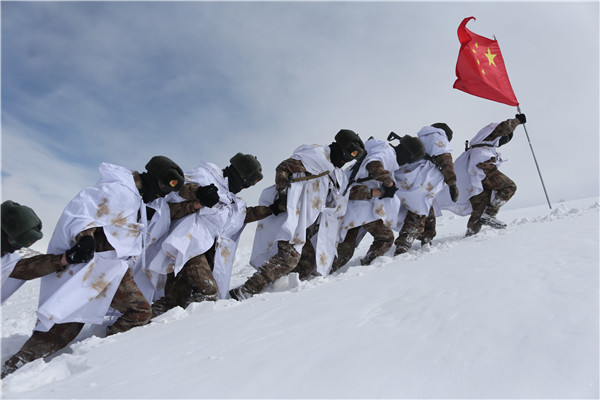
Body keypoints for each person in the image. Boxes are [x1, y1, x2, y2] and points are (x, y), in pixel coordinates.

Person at [1, 156, 186, 378]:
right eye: (160, 189)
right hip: (92, 267)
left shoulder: (144, 199)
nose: (160, 196)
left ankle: (99, 356)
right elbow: (83, 210)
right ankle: (12, 369)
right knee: (64, 328)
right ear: (151, 178)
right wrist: (85, 237)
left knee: (138, 311)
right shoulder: (119, 190)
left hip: (114, 268)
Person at [229, 129, 364, 300]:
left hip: (307, 222)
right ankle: (245, 291)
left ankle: (276, 288)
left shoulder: (338, 174)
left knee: (306, 263)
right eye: (346, 154)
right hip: (291, 213)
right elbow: (283, 168)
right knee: (290, 258)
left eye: (350, 158)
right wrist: (283, 192)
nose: (345, 160)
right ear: (339, 147)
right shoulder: (316, 155)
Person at [144, 153, 272, 317]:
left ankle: (148, 325)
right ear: (237, 173)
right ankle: (190, 327)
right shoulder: (206, 175)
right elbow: (180, 188)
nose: (243, 187)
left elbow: (244, 216)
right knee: (208, 291)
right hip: (186, 244)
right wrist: (199, 192)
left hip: (201, 249)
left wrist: (272, 209)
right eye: (245, 182)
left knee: (175, 300)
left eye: (248, 186)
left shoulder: (231, 201)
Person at [437, 114, 525, 236]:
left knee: (480, 206)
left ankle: (472, 234)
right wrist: (517, 121)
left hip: (474, 178)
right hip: (483, 171)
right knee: (510, 186)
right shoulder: (489, 136)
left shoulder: (482, 143)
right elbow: (503, 127)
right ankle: (490, 214)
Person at [1, 200, 95, 304]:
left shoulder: (7, 260)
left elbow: (27, 268)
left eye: (20, 246)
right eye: (14, 244)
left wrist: (66, 258)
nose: (13, 250)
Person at [330, 137, 400, 271]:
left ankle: (324, 273)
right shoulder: (386, 151)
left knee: (345, 249)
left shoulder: (369, 151)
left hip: (351, 205)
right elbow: (373, 165)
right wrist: (389, 184)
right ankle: (367, 267)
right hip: (362, 204)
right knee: (385, 238)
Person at [392, 123, 458, 255]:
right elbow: (446, 160)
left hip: (405, 176)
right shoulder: (438, 137)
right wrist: (452, 184)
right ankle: (404, 245)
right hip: (421, 179)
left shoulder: (424, 137)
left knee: (426, 208)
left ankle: (428, 236)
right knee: (419, 210)